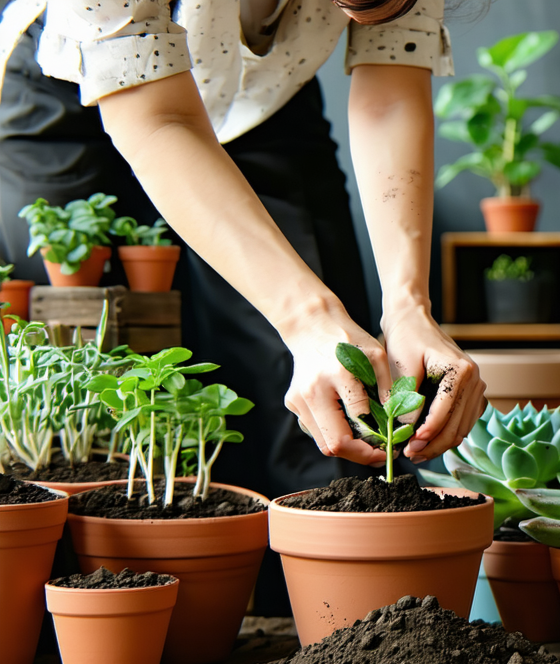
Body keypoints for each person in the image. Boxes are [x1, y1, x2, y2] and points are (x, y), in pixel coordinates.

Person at [0, 0, 487, 501]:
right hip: (74, 87)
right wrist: (307, 317)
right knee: (83, 363)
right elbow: (157, 119)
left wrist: (409, 305)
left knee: (331, 400)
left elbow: (390, 91)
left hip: (264, 97)